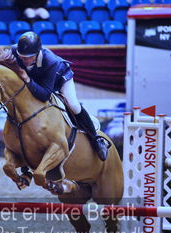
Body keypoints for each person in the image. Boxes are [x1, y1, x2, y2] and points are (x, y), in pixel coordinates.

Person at [11, 31, 109, 161]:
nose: (25, 60)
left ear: (37, 53)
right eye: (22, 57)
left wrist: (28, 80)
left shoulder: (51, 61)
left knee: (73, 105)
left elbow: (45, 95)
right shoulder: (14, 51)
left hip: (61, 79)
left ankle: (96, 138)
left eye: (29, 57)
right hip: (38, 79)